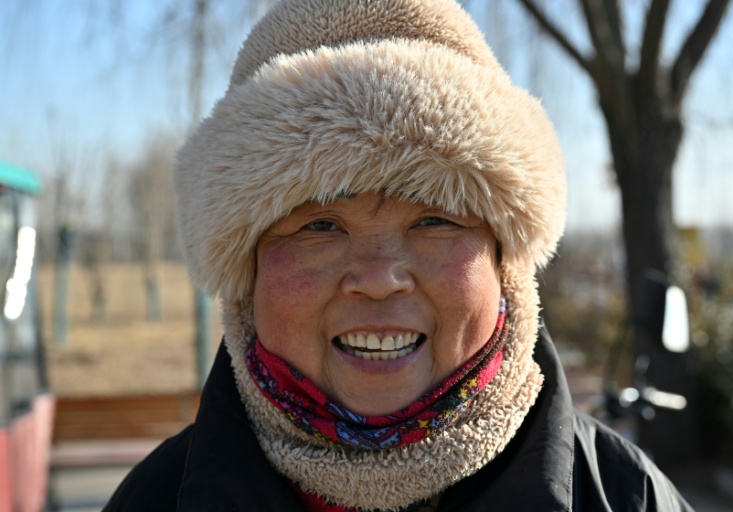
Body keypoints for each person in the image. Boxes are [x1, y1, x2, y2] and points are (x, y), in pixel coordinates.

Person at [105, 0, 693, 510]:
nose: (380, 279)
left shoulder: (627, 497)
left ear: (503, 262)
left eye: (434, 220)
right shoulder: (156, 500)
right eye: (320, 225)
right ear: (245, 271)